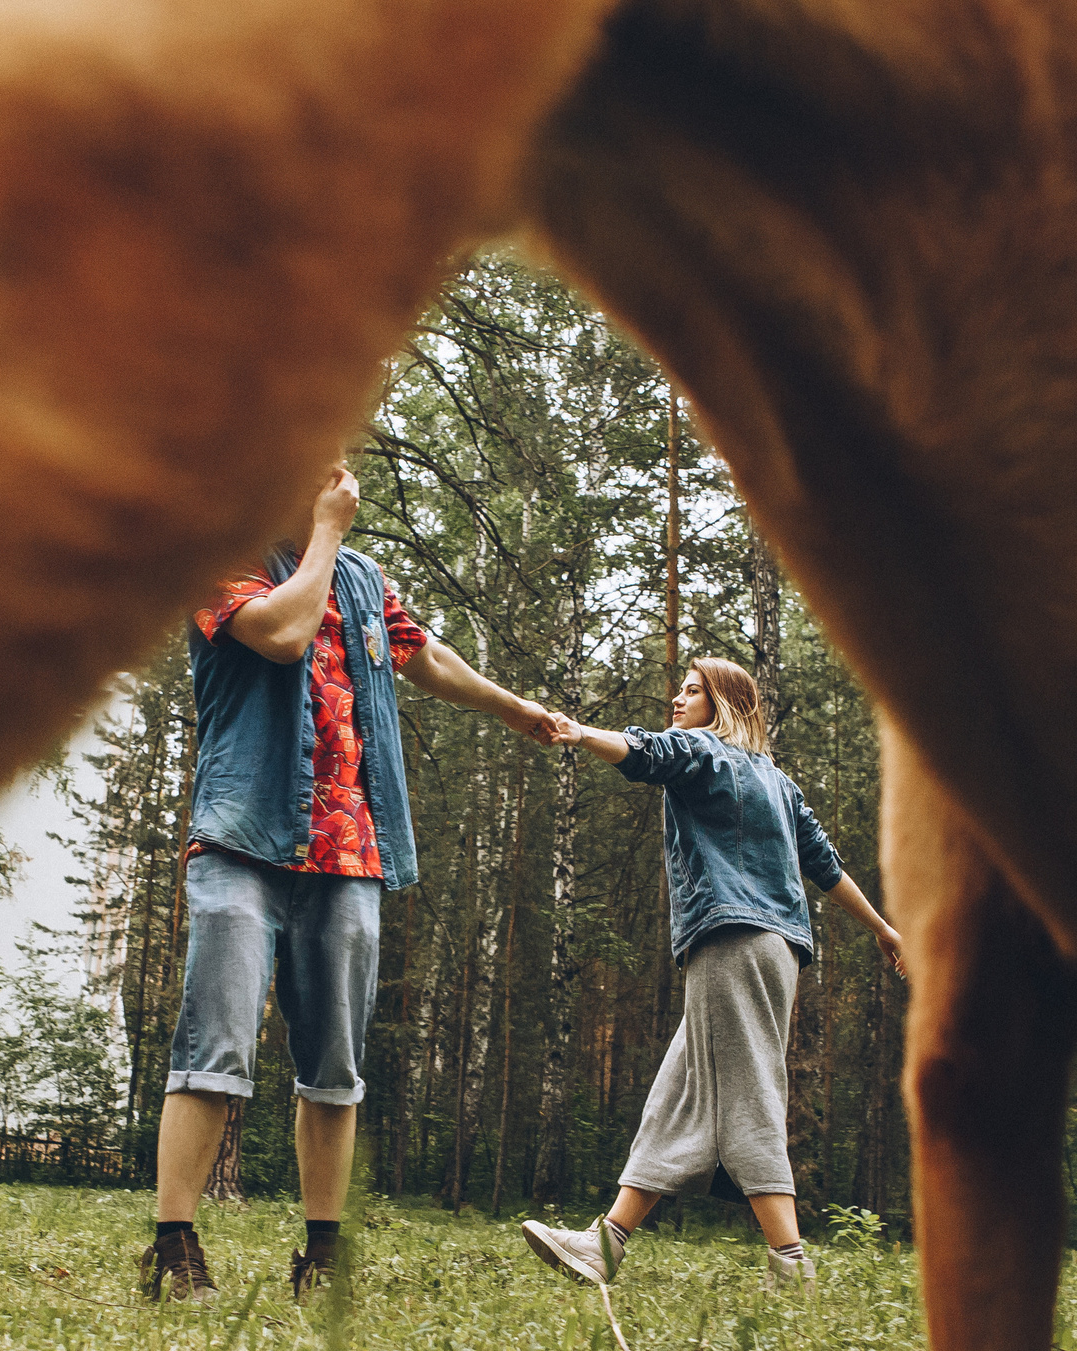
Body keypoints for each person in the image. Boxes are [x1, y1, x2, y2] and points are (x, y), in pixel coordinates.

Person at [142, 463, 554, 1303]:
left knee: (334, 1062)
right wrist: (325, 532)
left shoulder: (366, 579)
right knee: (214, 1047)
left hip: (349, 854)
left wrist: (517, 710)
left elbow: (424, 655)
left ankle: (322, 1256)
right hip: (244, 840)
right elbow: (283, 633)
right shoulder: (220, 557)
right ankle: (173, 1245)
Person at [521, 659, 902, 1291]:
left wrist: (580, 734)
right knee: (680, 1092)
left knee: (748, 1091)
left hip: (729, 939)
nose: (678, 698)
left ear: (723, 704)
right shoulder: (778, 783)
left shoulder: (705, 752)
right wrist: (885, 932)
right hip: (775, 949)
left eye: (692, 690)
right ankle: (604, 1245)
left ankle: (791, 1265)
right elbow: (825, 866)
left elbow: (645, 752)